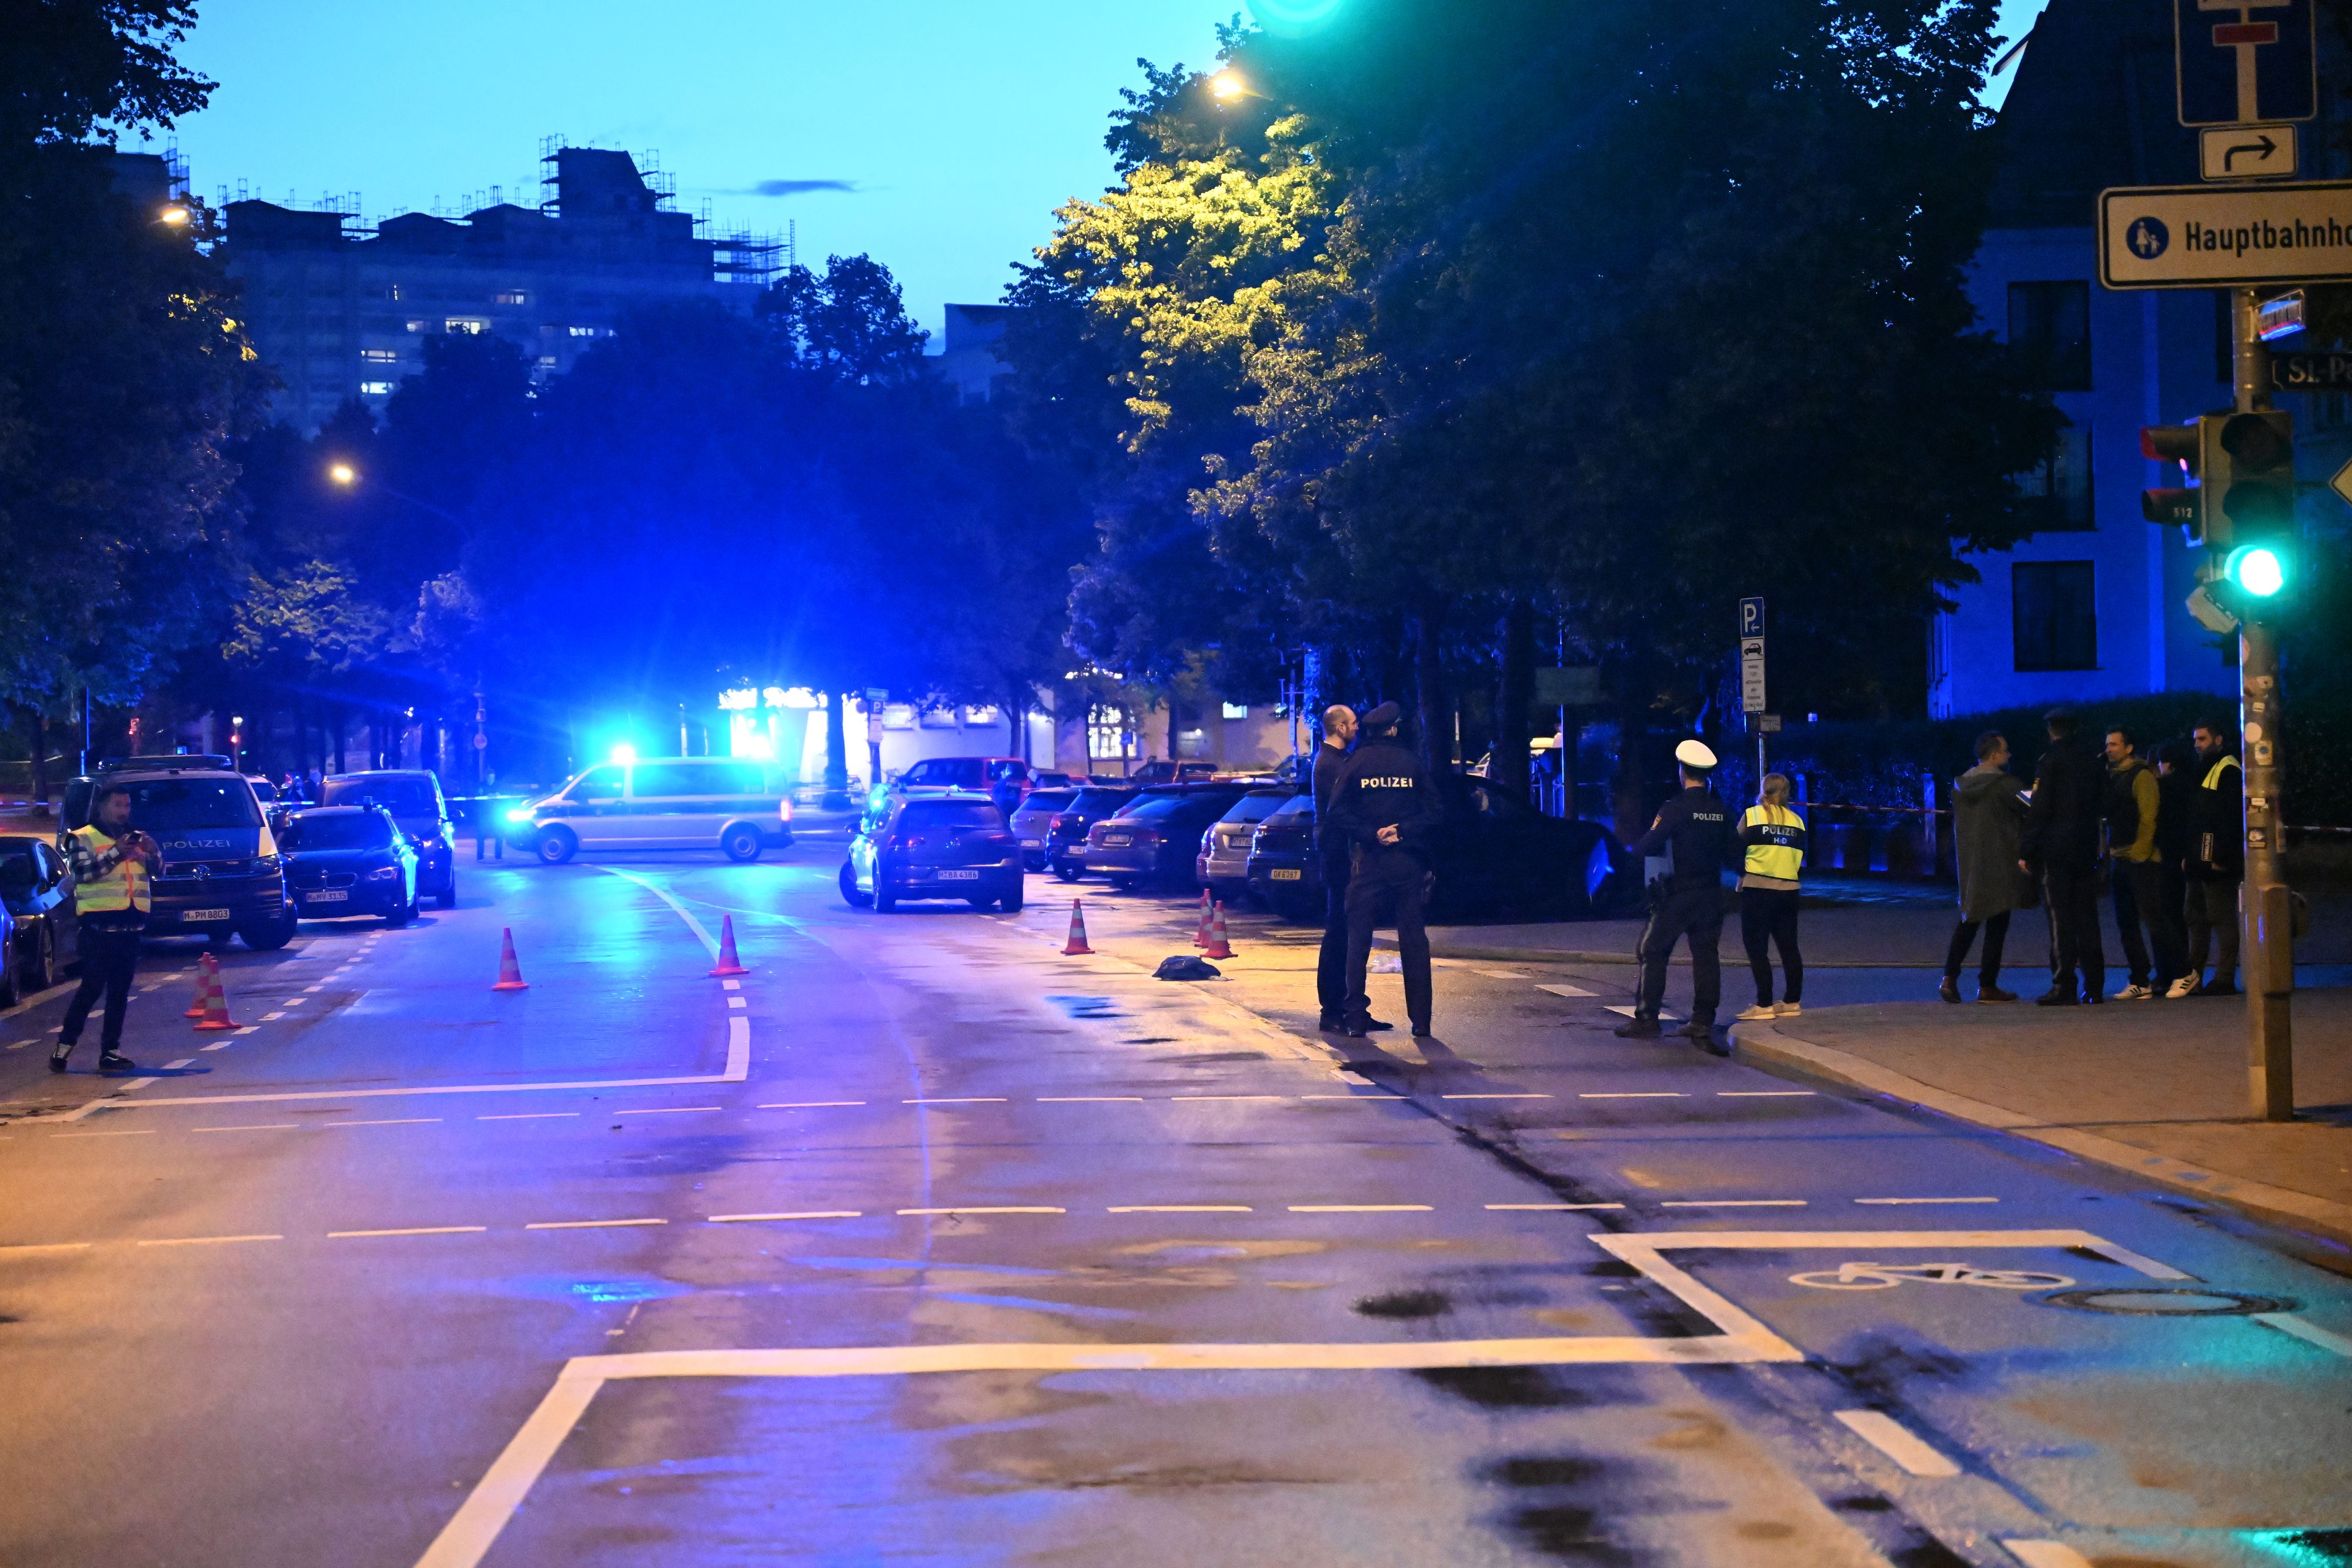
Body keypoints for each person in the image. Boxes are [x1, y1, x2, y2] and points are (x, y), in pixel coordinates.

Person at [1327, 701, 1445, 1040]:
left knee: (1358, 939)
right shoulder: (1411, 763)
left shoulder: (1356, 763)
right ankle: (1421, 1021)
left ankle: (1354, 1018)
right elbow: (1436, 811)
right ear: (1394, 728)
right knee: (1413, 941)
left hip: (1370, 863)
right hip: (1407, 862)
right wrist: (1402, 829)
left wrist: (1370, 834)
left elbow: (1337, 812)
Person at [1619, 739, 1736, 1042]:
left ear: (1682, 772)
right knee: (1706, 956)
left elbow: (1649, 845)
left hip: (1677, 894)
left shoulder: (1675, 809)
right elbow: (1736, 856)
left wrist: (1627, 856)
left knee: (1652, 950)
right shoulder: (1721, 811)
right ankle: (1702, 1021)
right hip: (1710, 894)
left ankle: (1647, 1019)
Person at [51, 781, 158, 1074]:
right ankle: (64, 1047)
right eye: (118, 805)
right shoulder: (80, 837)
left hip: (131, 927)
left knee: (120, 992)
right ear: (101, 807)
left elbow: (158, 872)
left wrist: (151, 854)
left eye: (127, 806)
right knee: (92, 988)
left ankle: (110, 1052)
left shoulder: (134, 837)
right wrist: (117, 853)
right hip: (98, 929)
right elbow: (83, 874)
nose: (124, 812)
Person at [2020, 708, 2106, 1006]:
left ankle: (2064, 984)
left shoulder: (2049, 762)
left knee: (2060, 918)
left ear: (2051, 731)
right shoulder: (2092, 762)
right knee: (2087, 915)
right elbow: (2103, 803)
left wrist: (2027, 850)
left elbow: (2040, 808)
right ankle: (2094, 986)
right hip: (2085, 847)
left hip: (2057, 850)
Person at [1311, 703, 1385, 1034]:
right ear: (1340, 728)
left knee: (1348, 931)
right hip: (1339, 855)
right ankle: (1333, 1010)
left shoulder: (1335, 760)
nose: (1358, 728)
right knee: (1340, 931)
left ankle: (1350, 1007)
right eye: (1353, 723)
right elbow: (1347, 808)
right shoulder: (1331, 764)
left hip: (1342, 852)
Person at [1943, 731, 2028, 1003]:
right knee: (1998, 923)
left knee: (1969, 918)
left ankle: (1949, 977)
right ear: (1994, 756)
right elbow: (2035, 805)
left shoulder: (1959, 786)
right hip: (2001, 861)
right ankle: (1988, 985)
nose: (2010, 755)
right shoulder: (2007, 786)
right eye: (2006, 751)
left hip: (1970, 863)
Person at [2102, 726, 2178, 1000]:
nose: (2109, 749)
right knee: (2126, 922)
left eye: (2114, 745)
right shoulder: (2111, 776)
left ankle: (2184, 971)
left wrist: (2140, 852)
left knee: (2153, 917)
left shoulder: (2141, 775)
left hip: (2140, 859)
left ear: (2129, 748)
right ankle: (2139, 979)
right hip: (2119, 856)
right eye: (2108, 744)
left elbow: (2149, 816)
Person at [2174, 720, 2243, 997]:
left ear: (2218, 740)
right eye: (2195, 739)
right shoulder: (2208, 769)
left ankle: (2224, 978)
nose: (2196, 745)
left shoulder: (2228, 770)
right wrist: (2190, 856)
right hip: (2201, 856)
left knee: (2220, 916)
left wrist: (2222, 858)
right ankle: (2195, 976)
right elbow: (2199, 817)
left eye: (2202, 739)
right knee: (2195, 916)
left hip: (2215, 858)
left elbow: (2229, 819)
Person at [1733, 772, 1806, 1022]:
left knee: (1757, 949)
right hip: (1789, 892)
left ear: (1764, 789)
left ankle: (1764, 1005)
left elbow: (1734, 848)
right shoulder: (1798, 821)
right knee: (1789, 948)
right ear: (1786, 793)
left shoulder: (1753, 815)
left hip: (1758, 890)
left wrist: (1741, 873)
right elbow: (1800, 857)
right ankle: (1791, 1001)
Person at [2151, 738, 2197, 995]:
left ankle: (2172, 972)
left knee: (2165, 915)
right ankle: (2178, 970)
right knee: (2177, 915)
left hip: (2166, 857)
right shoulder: (2191, 786)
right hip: (2182, 857)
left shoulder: (2164, 788)